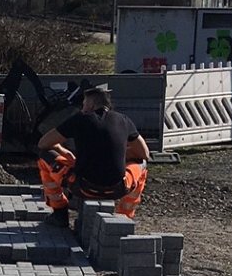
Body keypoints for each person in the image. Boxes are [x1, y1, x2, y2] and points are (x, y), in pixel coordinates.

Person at [37, 87, 149, 221]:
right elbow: (144, 154)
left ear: (91, 105)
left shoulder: (80, 119)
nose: (82, 108)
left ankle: (59, 212)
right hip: (118, 187)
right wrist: (118, 154)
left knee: (44, 156)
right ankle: (125, 216)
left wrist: (63, 151)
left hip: (83, 187)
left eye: (84, 104)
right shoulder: (123, 120)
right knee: (141, 164)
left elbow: (43, 143)